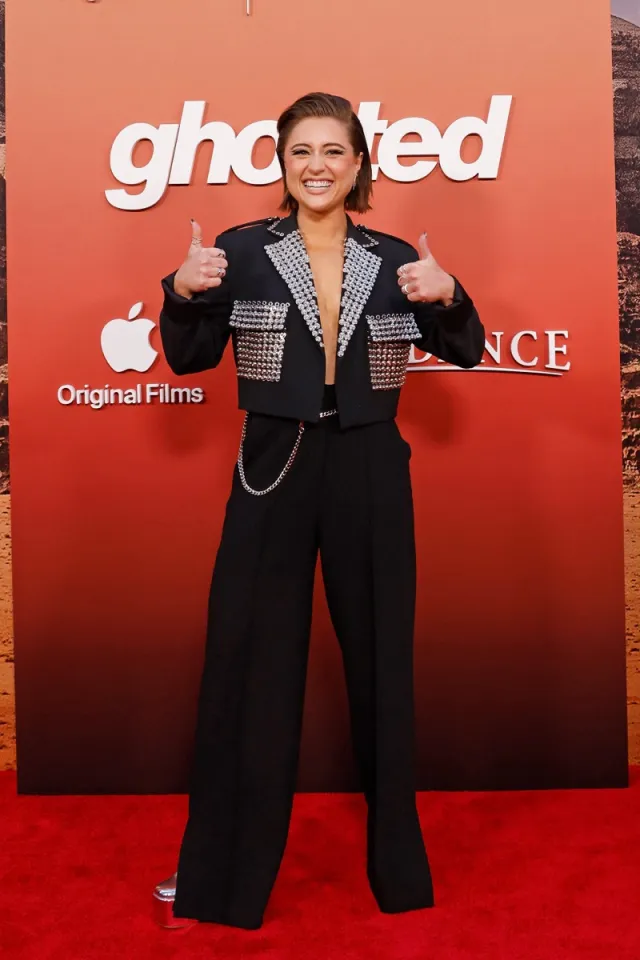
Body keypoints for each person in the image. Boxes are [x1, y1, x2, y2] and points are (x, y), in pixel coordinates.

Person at [152, 91, 485, 931]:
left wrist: (448, 295)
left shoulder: (396, 255)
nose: (318, 165)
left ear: (360, 163)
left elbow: (466, 349)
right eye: (302, 150)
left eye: (334, 150)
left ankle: (398, 874)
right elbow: (189, 359)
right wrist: (182, 290)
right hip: (274, 463)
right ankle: (223, 881)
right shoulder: (242, 251)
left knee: (383, 669)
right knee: (247, 664)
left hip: (372, 464)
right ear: (281, 161)